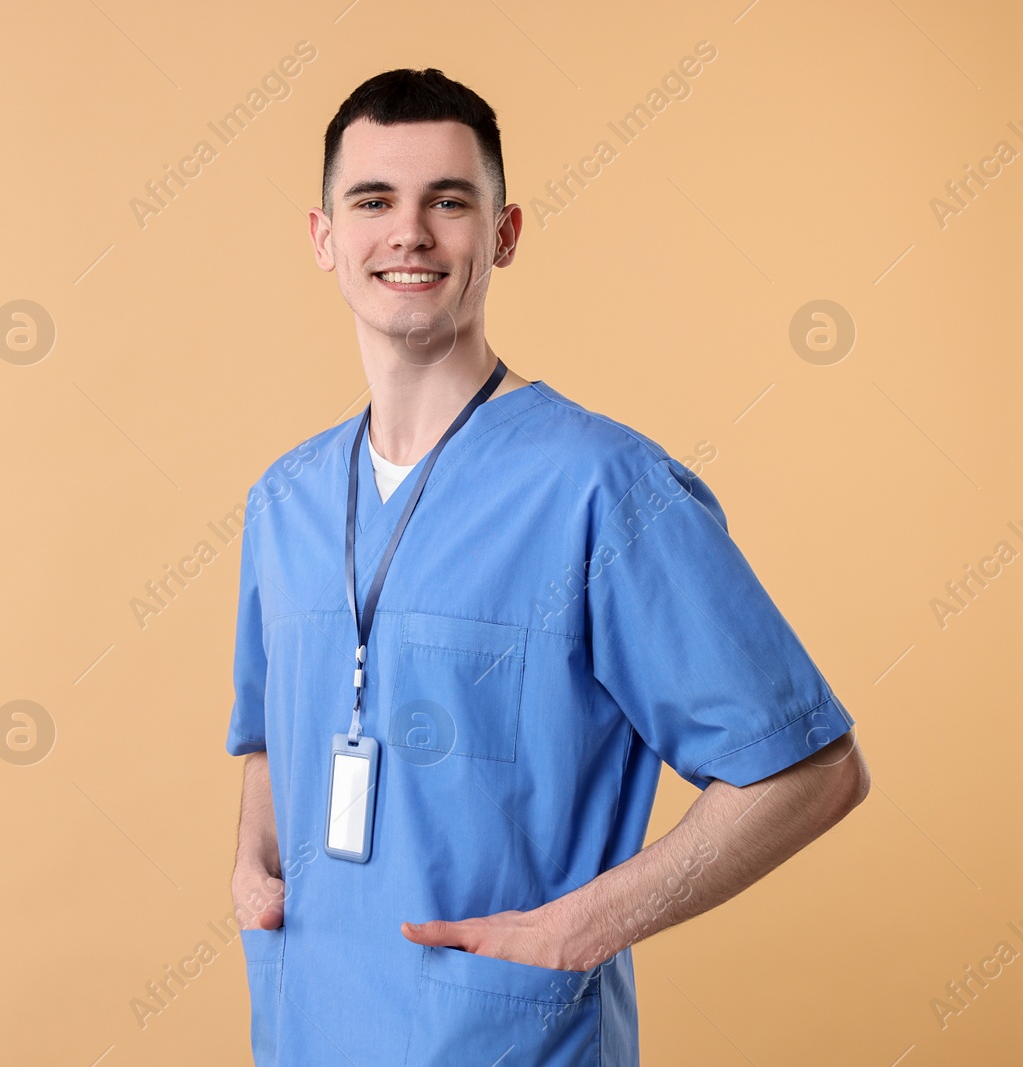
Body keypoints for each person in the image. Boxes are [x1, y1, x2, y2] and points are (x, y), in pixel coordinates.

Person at [225, 68, 870, 1066]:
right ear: (322, 237)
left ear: (506, 232)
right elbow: (273, 730)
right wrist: (250, 862)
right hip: (308, 1031)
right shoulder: (285, 500)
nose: (409, 233)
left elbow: (811, 770)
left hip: (505, 1041)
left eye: (448, 200)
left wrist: (578, 929)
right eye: (372, 201)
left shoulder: (606, 491)